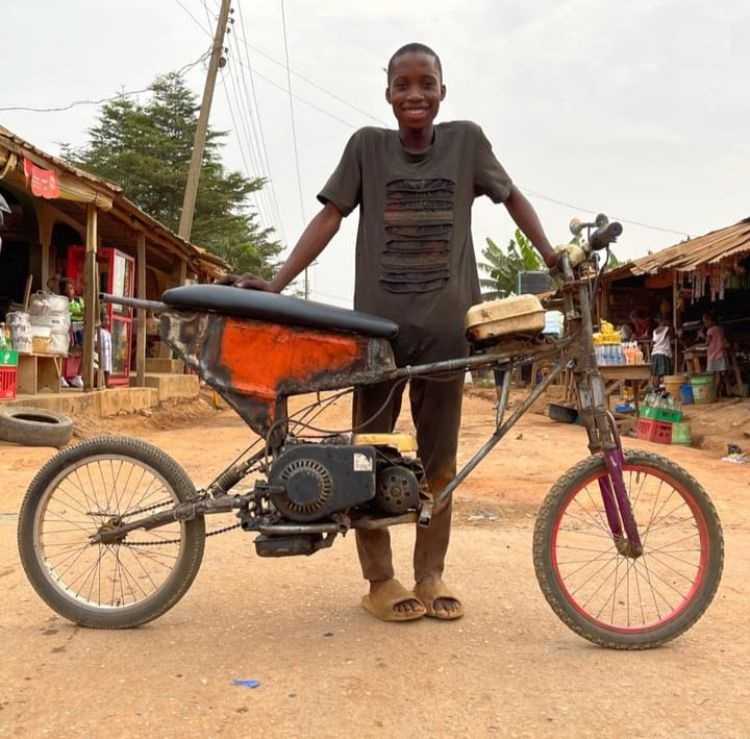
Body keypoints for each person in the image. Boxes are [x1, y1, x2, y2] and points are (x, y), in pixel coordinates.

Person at [225, 42, 564, 622]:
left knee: (440, 460)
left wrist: (553, 258)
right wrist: (278, 284)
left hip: (445, 334)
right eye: (403, 85)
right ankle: (379, 580)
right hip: (376, 333)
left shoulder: (467, 143)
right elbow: (330, 216)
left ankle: (430, 573)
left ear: (441, 92)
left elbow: (512, 199)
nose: (415, 95)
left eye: (426, 84)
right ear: (387, 93)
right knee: (367, 454)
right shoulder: (367, 148)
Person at [702, 312, 728, 396]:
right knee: (719, 374)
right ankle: (718, 392)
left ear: (710, 321)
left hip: (713, 355)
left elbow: (707, 343)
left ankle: (713, 393)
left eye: (705, 322)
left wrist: (702, 337)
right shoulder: (720, 329)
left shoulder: (710, 330)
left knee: (712, 375)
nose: (705, 324)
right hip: (721, 354)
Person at [650, 316, 672, 388]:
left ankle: (656, 391)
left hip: (654, 353)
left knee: (655, 374)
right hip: (663, 353)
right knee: (664, 374)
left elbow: (652, 344)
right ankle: (664, 390)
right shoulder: (667, 329)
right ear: (663, 321)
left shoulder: (654, 331)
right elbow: (674, 335)